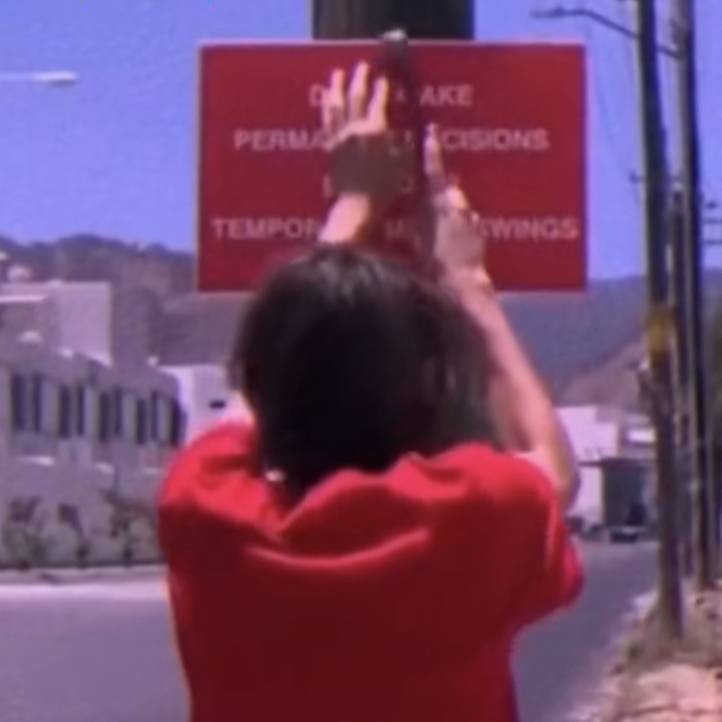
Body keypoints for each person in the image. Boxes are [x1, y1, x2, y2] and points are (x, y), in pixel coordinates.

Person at [159, 62, 583, 722]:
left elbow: (263, 382)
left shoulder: (208, 512)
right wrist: (469, 285)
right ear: (425, 385)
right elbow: (552, 471)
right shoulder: (467, 515)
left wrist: (352, 205)